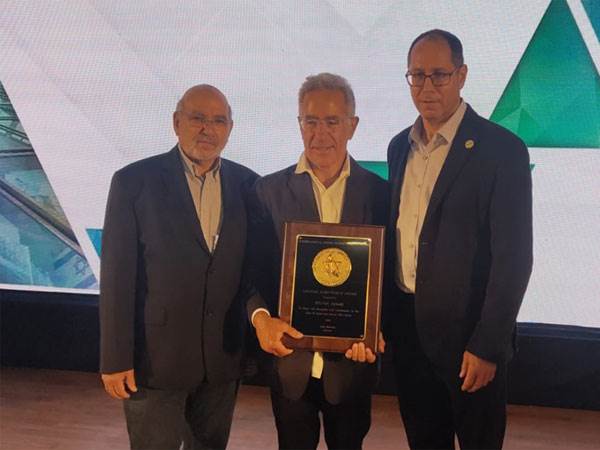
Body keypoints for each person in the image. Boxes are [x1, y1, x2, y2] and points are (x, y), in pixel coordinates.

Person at [385, 30, 533, 449]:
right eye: (417, 75)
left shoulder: (502, 150)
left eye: (439, 75)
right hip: (410, 338)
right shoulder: (399, 147)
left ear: (462, 75)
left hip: (471, 343)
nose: (426, 87)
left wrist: (488, 345)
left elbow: (514, 258)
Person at [99, 84, 258, 450]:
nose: (208, 129)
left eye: (218, 121)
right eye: (197, 118)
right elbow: (117, 279)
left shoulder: (247, 184)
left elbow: (248, 270)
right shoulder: (133, 182)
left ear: (230, 129)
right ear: (176, 122)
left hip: (221, 361)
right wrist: (114, 358)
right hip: (154, 362)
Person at [247, 73, 388, 450]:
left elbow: (389, 277)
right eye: (310, 121)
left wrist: (377, 327)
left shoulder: (380, 194)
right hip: (290, 363)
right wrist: (260, 318)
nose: (320, 133)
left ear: (352, 126)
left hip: (353, 365)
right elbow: (250, 272)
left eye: (332, 121)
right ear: (299, 124)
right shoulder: (267, 192)